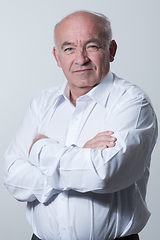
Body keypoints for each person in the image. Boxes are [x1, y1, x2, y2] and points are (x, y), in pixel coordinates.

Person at [3, 10, 158, 240]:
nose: (80, 58)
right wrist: (83, 154)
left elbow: (104, 174)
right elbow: (12, 177)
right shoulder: (41, 103)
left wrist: (40, 150)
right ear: (57, 57)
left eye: (92, 46)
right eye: (69, 49)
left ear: (111, 50)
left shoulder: (133, 103)